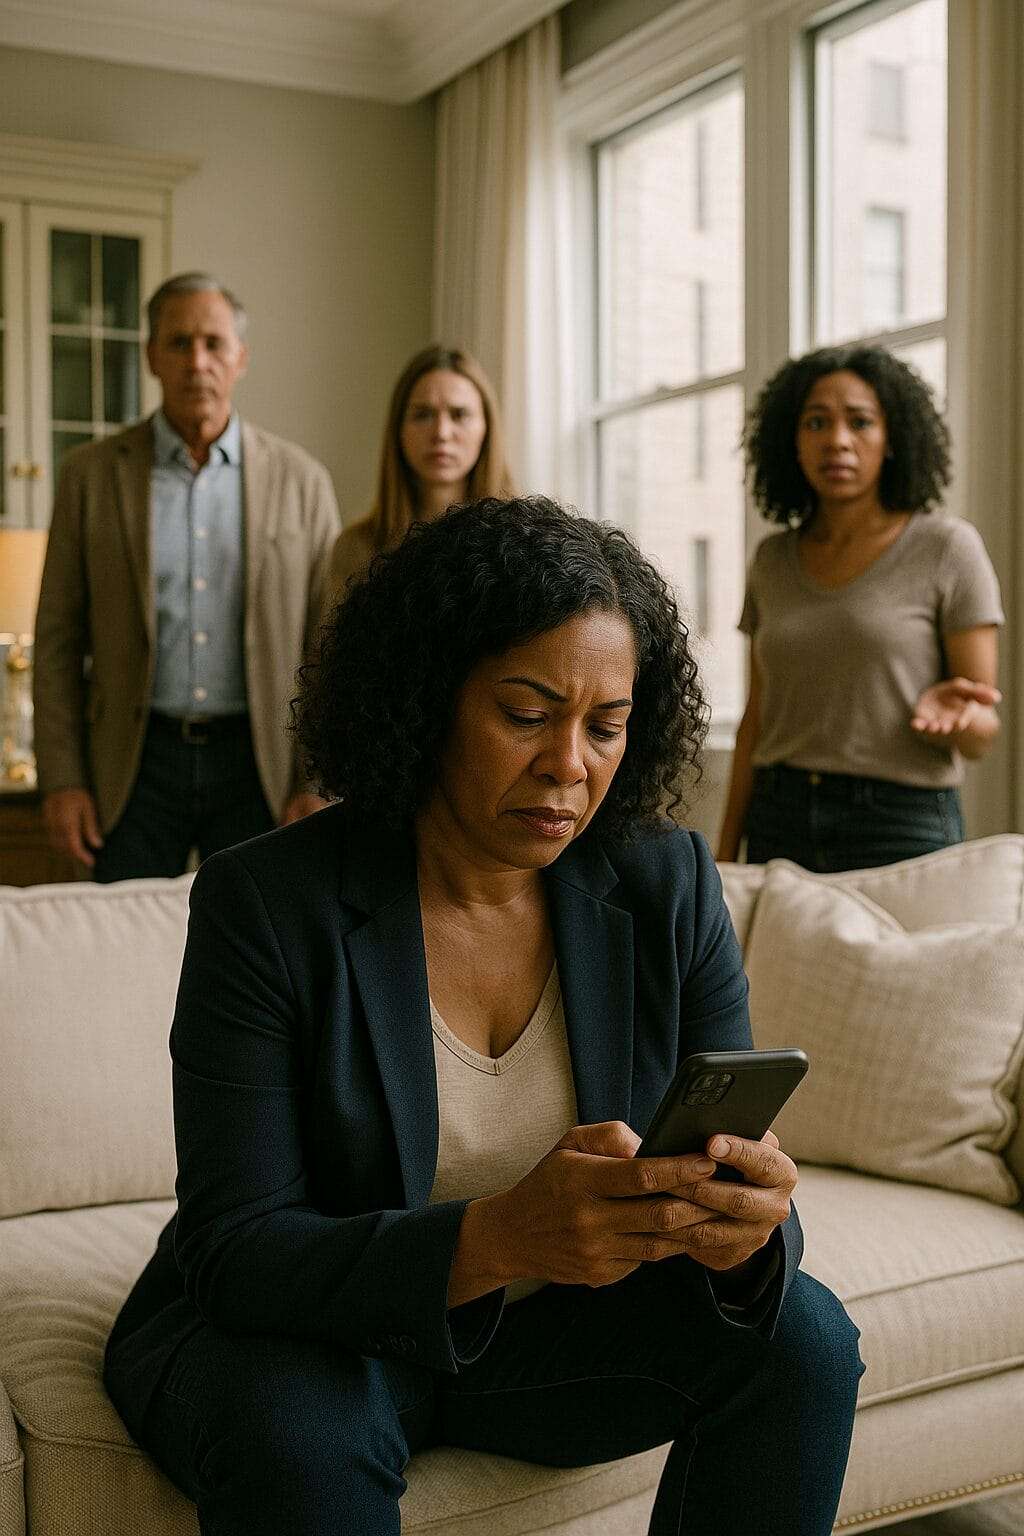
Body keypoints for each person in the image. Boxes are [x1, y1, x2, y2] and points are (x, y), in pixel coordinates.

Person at [104, 496, 862, 1536]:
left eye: (605, 726)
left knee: (802, 1334)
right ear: (426, 699)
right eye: (524, 713)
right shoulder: (268, 903)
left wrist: (741, 1233)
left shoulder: (665, 882)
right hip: (312, 1328)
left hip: (538, 1338)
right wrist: (495, 1239)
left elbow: (732, 1177)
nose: (569, 765)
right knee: (300, 1438)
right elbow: (239, 1251)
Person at [33, 271, 341, 881]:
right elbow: (57, 643)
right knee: (119, 949)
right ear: (151, 355)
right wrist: (63, 779)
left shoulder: (302, 480)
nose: (196, 361)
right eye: (178, 343)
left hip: (260, 763)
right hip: (133, 763)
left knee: (262, 957)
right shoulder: (89, 476)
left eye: (212, 343)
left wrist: (318, 778)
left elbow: (330, 645)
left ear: (240, 357)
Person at [717, 345, 1003, 873]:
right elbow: (757, 718)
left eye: (861, 422)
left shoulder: (948, 547)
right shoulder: (772, 558)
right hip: (780, 815)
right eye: (816, 423)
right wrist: (724, 854)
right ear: (792, 442)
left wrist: (961, 717)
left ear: (892, 438)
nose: (837, 441)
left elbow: (983, 728)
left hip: (899, 820)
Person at [328, 343, 512, 593]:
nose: (441, 433)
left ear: (486, 429)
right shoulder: (356, 547)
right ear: (399, 430)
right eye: (423, 415)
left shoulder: (518, 543)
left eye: (459, 415)